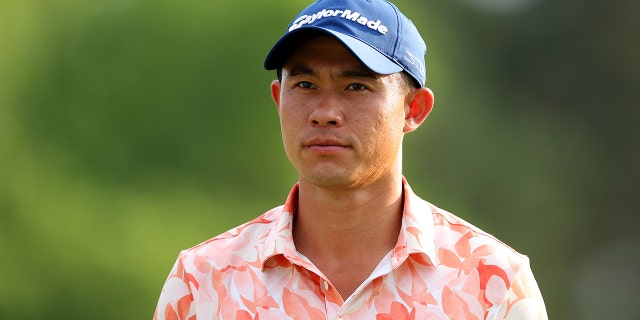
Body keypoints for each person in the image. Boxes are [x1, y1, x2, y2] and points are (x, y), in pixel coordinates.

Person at [153, 0, 548, 319]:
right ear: (278, 100)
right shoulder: (203, 281)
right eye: (305, 85)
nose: (324, 111)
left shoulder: (492, 283)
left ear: (414, 109)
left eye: (356, 86)